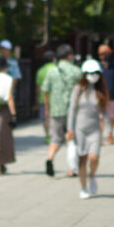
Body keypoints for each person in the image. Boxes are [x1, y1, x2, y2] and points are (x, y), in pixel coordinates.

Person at [67, 59, 107, 199]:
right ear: (84, 74)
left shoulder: (100, 90)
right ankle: (83, 187)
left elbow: (104, 111)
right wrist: (69, 129)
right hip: (80, 129)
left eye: (96, 73)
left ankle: (92, 175)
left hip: (95, 128)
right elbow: (72, 109)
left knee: (94, 157)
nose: (93, 75)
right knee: (82, 159)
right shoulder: (78, 89)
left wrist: (107, 129)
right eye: (90, 73)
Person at [41, 43, 82, 177]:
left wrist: (47, 108)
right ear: (70, 56)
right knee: (71, 139)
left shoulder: (52, 71)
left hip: (56, 109)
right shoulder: (76, 71)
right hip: (73, 110)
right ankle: (72, 167)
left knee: (56, 138)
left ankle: (50, 158)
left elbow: (45, 91)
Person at [97, 44, 114, 144]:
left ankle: (110, 133)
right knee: (100, 117)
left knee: (111, 116)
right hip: (101, 95)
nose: (103, 56)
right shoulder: (98, 66)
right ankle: (100, 136)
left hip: (113, 94)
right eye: (101, 54)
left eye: (105, 53)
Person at [35, 50, 57, 141]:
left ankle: (47, 135)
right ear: (53, 59)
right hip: (56, 97)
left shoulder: (40, 71)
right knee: (56, 117)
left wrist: (36, 98)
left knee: (44, 118)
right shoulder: (57, 69)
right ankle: (56, 134)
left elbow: (38, 86)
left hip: (43, 97)